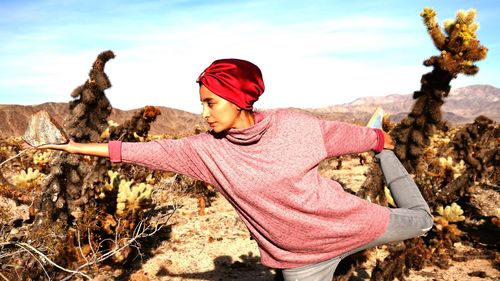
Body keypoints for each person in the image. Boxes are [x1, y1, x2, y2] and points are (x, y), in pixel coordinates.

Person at [27, 58, 433, 280]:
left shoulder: (295, 126)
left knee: (423, 221)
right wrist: (70, 145)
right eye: (201, 102)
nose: (203, 113)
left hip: (349, 223)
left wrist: (381, 143)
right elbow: (135, 152)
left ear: (239, 99)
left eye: (210, 102)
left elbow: (349, 136)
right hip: (300, 261)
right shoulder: (205, 151)